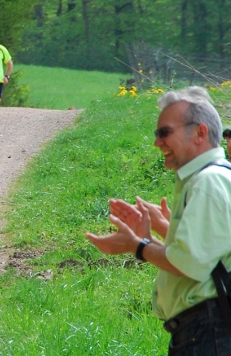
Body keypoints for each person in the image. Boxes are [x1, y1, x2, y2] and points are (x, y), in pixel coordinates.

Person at [86, 86, 231, 354]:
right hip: (203, 331)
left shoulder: (208, 181)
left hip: (209, 331)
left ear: (200, 132)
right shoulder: (207, 179)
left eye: (165, 132)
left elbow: (191, 265)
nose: (157, 142)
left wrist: (137, 246)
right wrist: (149, 239)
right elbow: (203, 262)